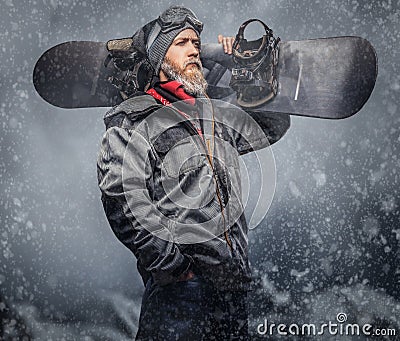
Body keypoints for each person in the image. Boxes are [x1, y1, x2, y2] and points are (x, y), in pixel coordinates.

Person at [97, 6, 290, 340]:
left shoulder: (216, 117)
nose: (194, 50)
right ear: (159, 59)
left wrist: (239, 69)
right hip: (181, 293)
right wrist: (171, 267)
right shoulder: (135, 120)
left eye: (197, 45)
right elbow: (121, 200)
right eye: (182, 43)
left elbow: (272, 126)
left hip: (232, 288)